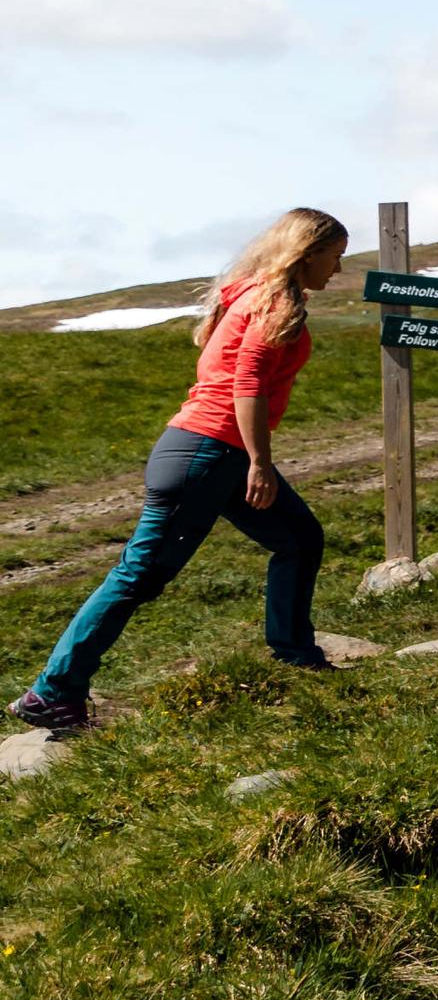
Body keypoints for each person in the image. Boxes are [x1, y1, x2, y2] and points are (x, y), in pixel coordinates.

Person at [14, 208, 348, 733]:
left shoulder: (249, 292)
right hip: (208, 454)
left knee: (299, 538)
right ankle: (52, 693)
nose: (338, 270)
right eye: (335, 257)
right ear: (307, 254)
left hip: (206, 451)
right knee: (137, 577)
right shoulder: (273, 304)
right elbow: (248, 386)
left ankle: (295, 654)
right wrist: (260, 461)